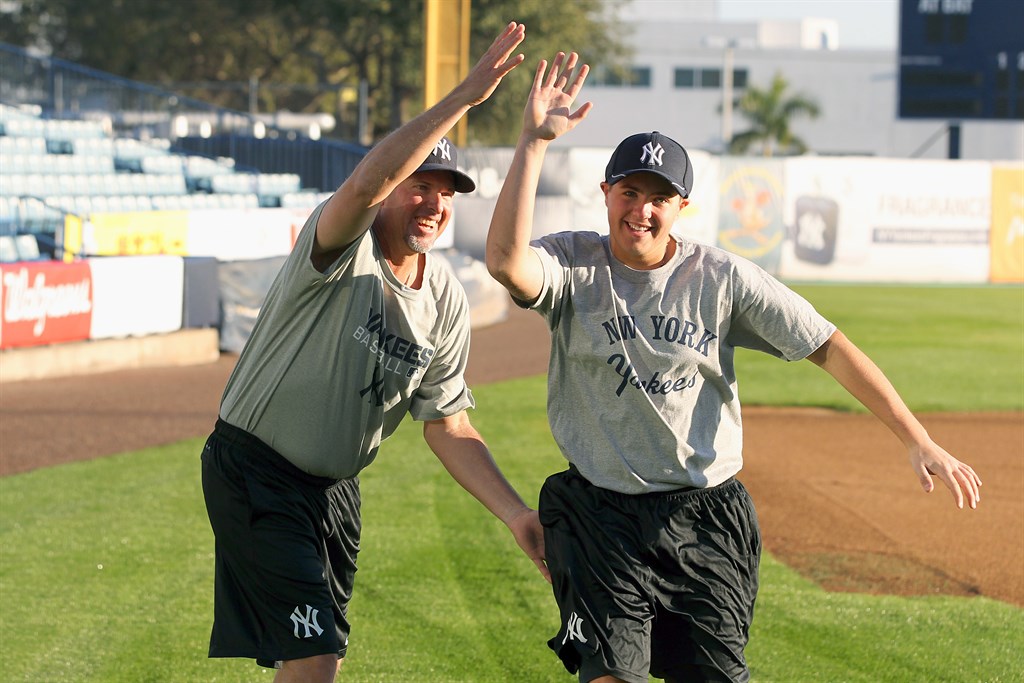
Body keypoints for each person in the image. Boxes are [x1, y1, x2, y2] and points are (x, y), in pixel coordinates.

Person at [485, 51, 983, 683]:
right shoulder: (572, 264)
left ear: (681, 206)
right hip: (600, 515)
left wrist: (918, 438)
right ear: (605, 193)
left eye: (659, 198)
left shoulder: (719, 278)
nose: (641, 209)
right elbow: (506, 263)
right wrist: (532, 142)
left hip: (705, 515)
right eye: (629, 192)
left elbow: (827, 343)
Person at [200, 23, 547, 683]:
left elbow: (448, 423)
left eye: (447, 192)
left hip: (334, 492)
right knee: (315, 652)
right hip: (255, 472)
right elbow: (362, 185)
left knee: (317, 651)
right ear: (393, 184)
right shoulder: (338, 243)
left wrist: (516, 514)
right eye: (421, 183)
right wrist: (465, 97)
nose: (435, 202)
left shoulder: (444, 296)